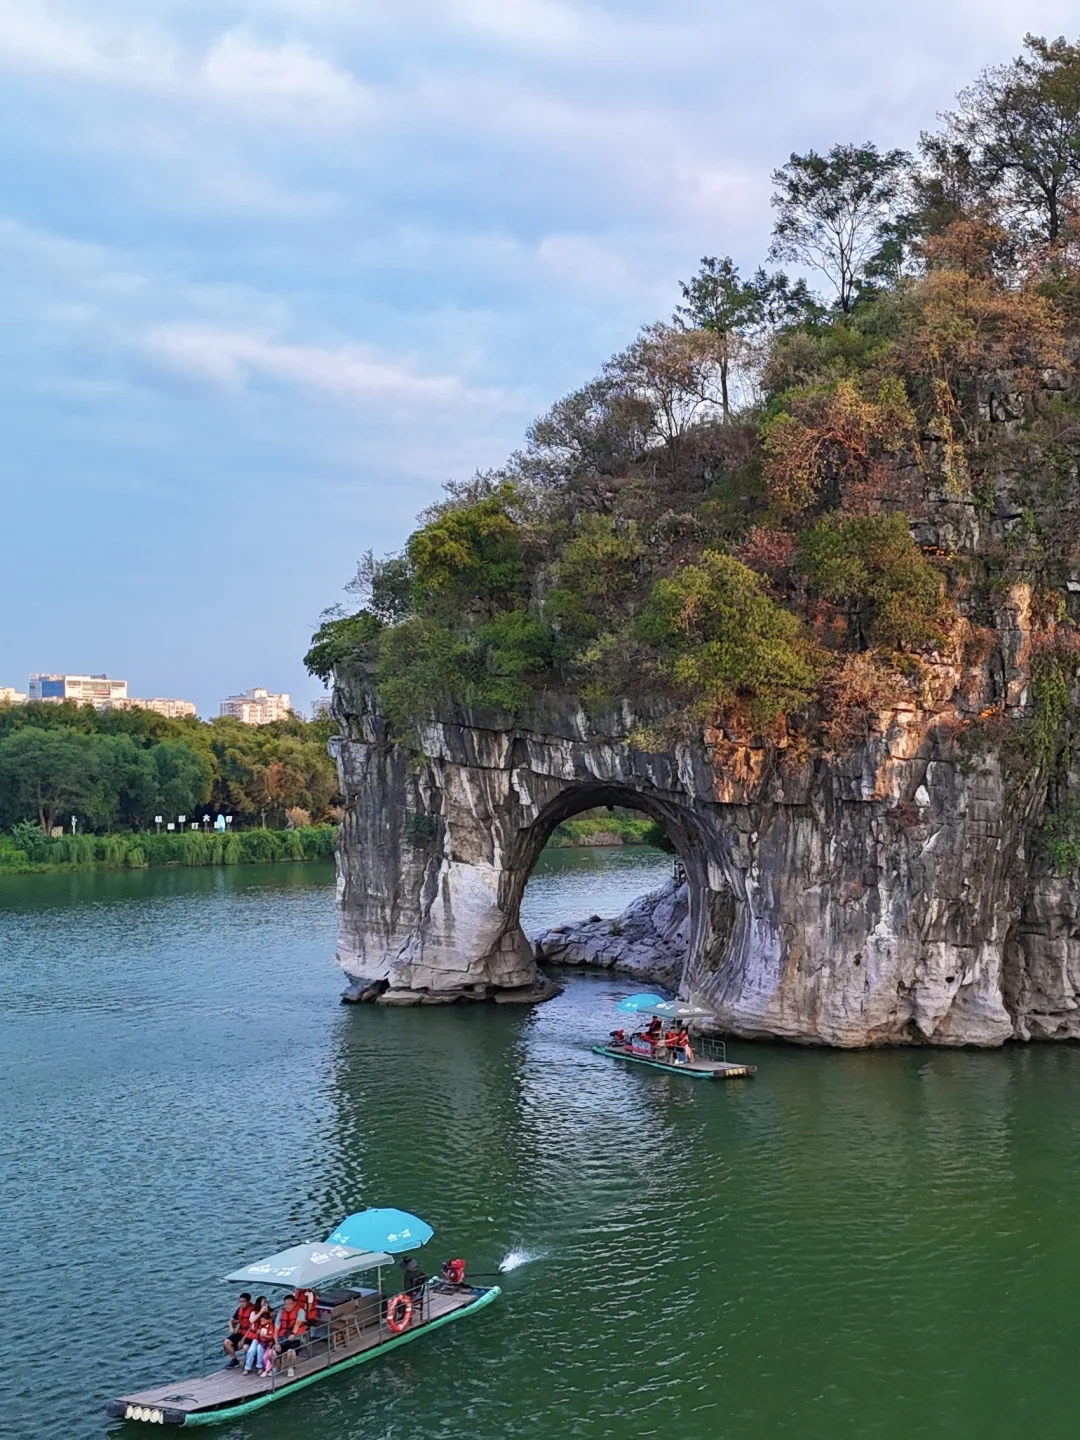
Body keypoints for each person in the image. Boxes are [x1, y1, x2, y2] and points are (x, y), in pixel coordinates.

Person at [243, 1300, 276, 1375]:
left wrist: (267, 1310)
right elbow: (252, 1320)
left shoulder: (269, 1313)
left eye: (266, 1302)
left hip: (265, 1338)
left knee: (259, 1348)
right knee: (251, 1350)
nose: (265, 1304)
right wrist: (261, 1312)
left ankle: (260, 1366)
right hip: (257, 1336)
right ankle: (247, 1367)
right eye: (263, 1302)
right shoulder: (254, 1313)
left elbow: (273, 1314)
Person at [274, 1292, 308, 1359]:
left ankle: (291, 1367)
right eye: (286, 1304)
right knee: (272, 1353)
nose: (287, 1306)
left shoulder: (300, 1311)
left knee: (290, 1352)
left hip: (296, 1338)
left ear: (294, 1303)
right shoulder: (281, 1313)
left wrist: (293, 1333)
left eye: (290, 1304)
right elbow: (276, 1329)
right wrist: (276, 1343)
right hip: (283, 1338)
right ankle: (276, 1368)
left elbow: (298, 1322)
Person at [223, 1292, 254, 1366]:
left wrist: (243, 1340)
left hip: (250, 1334)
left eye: (243, 1301)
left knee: (245, 1346)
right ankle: (234, 1360)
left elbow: (251, 1326)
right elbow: (231, 1320)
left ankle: (249, 1362)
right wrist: (231, 1327)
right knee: (226, 1342)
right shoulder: (239, 1309)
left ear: (248, 1301)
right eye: (240, 1301)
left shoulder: (253, 1310)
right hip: (241, 1332)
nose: (241, 1303)